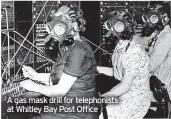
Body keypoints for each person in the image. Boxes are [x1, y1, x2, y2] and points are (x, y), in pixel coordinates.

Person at [20, 4, 99, 119]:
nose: (54, 32)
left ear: (74, 26)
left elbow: (60, 90)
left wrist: (34, 86)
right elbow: (62, 77)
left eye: (59, 27)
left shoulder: (79, 50)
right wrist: (36, 76)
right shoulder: (67, 46)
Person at [97, 10, 152, 119]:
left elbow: (125, 86)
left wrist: (102, 99)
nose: (110, 31)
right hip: (125, 94)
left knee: (97, 114)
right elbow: (118, 71)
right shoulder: (121, 45)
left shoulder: (133, 51)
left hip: (135, 101)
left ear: (120, 27)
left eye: (112, 26)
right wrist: (96, 68)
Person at [134, 4, 171, 99]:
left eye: (153, 19)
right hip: (154, 81)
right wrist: (128, 34)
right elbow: (143, 42)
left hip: (163, 86)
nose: (148, 23)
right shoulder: (157, 32)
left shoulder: (167, 37)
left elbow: (151, 65)